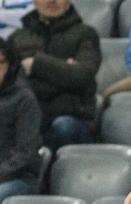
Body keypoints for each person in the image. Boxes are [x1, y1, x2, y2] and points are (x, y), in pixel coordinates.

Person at [9, 0, 99, 150]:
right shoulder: (18, 38)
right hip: (28, 121)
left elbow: (82, 76)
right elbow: (10, 83)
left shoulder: (86, 34)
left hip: (73, 121)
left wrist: (36, 64)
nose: (52, 0)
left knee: (63, 126)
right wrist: (63, 71)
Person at [0, 36, 41, 202]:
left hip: (16, 178)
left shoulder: (24, 99)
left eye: (0, 63)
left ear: (10, 66)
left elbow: (25, 154)